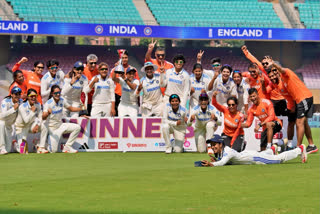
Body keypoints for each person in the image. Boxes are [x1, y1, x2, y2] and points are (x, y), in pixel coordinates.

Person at [271, 63, 317, 154]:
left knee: (299, 122)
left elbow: (281, 69)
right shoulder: (281, 84)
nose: (274, 74)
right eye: (272, 73)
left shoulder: (287, 72)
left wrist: (273, 64)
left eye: (275, 71)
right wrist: (291, 107)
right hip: (299, 100)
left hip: (303, 98)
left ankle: (298, 148)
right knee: (304, 122)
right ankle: (311, 145)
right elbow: (289, 96)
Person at [200, 134, 307, 167]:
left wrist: (211, 164)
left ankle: (300, 149)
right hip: (248, 155)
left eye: (214, 144)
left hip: (254, 158)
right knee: (267, 154)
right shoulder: (223, 152)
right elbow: (223, 160)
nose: (213, 147)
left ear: (220, 144)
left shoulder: (227, 152)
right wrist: (215, 160)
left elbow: (223, 162)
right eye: (212, 145)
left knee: (278, 160)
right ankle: (273, 149)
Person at [241, 46, 287, 116]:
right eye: (263, 64)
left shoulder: (278, 71)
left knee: (286, 120)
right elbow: (255, 61)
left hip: (283, 99)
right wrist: (246, 52)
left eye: (267, 63)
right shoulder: (264, 71)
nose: (265, 65)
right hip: (272, 100)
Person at [42, 85, 82, 153]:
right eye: (55, 93)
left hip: (60, 125)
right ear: (52, 94)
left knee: (77, 127)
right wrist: (48, 113)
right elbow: (43, 117)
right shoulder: (48, 103)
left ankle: (67, 147)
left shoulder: (62, 100)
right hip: (52, 129)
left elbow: (71, 108)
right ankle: (45, 144)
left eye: (59, 92)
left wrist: (82, 109)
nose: (57, 94)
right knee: (53, 151)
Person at [265, 67, 296, 150]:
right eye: (270, 77)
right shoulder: (272, 84)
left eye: (273, 75)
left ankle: (290, 144)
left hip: (292, 103)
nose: (272, 78)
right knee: (282, 122)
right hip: (284, 103)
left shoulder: (284, 80)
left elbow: (293, 92)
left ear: (277, 73)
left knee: (292, 122)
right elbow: (266, 91)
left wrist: (293, 105)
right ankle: (279, 143)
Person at [15, 89, 48, 154]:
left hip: (31, 125)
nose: (33, 98)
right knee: (23, 151)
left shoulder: (37, 104)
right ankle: (15, 144)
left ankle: (40, 147)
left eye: (34, 96)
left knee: (44, 125)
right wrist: (32, 112)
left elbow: (40, 116)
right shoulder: (22, 106)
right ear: (27, 97)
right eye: (31, 96)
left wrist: (37, 125)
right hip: (21, 128)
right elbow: (26, 121)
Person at [110, 50, 139, 116]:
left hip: (131, 97)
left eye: (125, 57)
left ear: (128, 58)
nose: (124, 59)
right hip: (118, 95)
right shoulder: (116, 68)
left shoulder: (133, 69)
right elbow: (112, 79)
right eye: (122, 58)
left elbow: (135, 85)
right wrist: (115, 68)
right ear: (120, 59)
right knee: (119, 117)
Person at [0, 87, 22, 154]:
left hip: (10, 126)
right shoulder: (5, 101)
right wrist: (13, 109)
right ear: (12, 94)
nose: (17, 96)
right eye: (16, 94)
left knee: (8, 150)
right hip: (2, 124)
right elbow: (2, 115)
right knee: (1, 123)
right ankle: (2, 148)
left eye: (19, 94)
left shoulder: (20, 102)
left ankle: (11, 145)